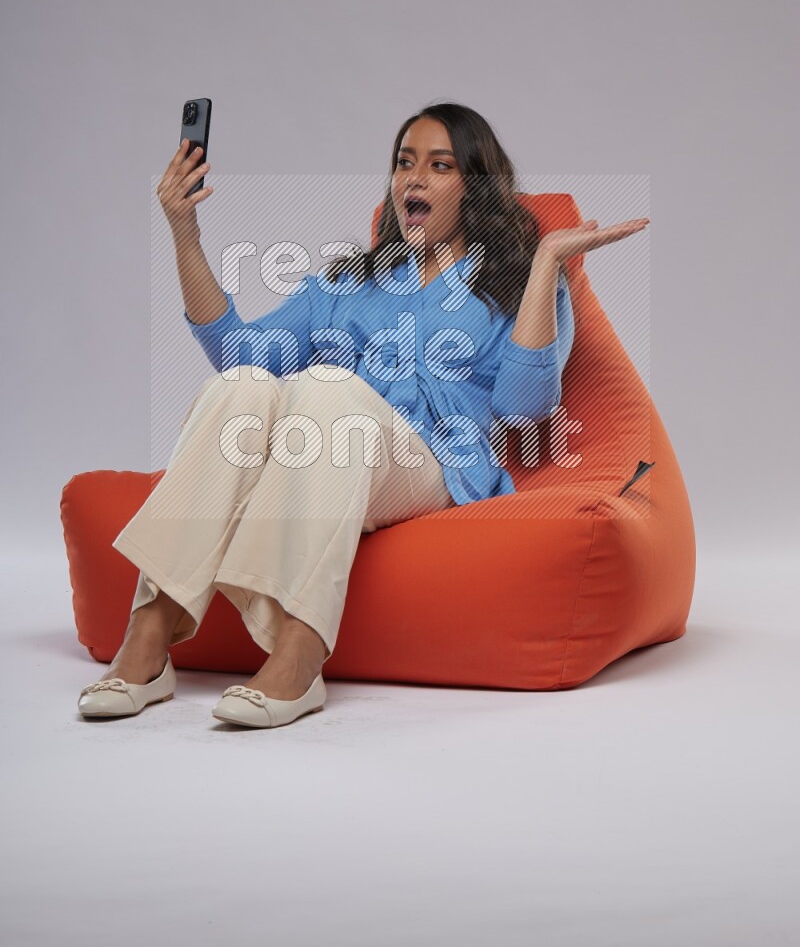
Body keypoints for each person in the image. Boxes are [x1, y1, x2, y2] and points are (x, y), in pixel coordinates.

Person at [77, 102, 649, 728]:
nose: (414, 179)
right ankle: (150, 636)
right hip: (325, 446)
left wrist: (546, 266)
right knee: (242, 384)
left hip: (433, 460)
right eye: (405, 164)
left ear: (475, 185)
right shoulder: (352, 281)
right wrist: (184, 231)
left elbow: (522, 409)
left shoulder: (515, 282)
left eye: (439, 166)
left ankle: (300, 650)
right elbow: (236, 353)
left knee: (328, 390)